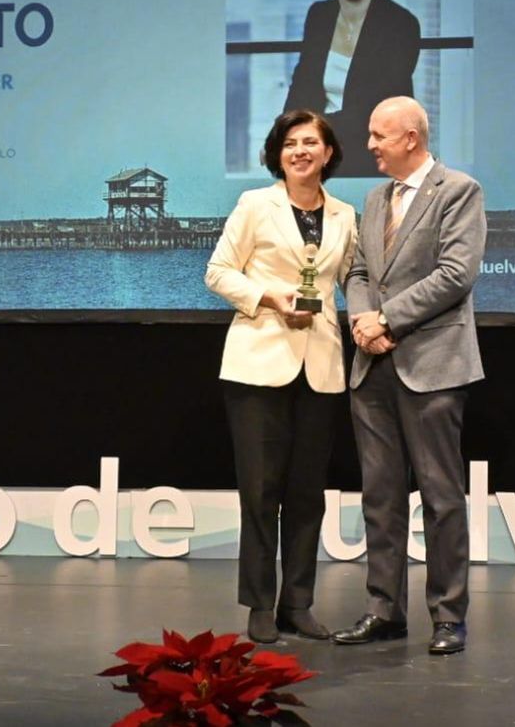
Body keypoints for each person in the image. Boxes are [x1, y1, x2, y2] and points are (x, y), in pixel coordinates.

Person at [333, 96, 484, 656]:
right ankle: (383, 611)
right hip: (372, 366)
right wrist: (360, 319)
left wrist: (387, 317)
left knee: (443, 498)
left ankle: (448, 616)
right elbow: (360, 269)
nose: (369, 144)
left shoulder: (459, 191)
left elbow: (455, 274)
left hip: (433, 367)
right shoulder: (375, 199)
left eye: (378, 135)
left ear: (411, 139)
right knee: (381, 496)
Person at [205, 109, 359, 644]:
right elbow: (218, 271)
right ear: (279, 153)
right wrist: (267, 296)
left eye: (310, 142)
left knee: (307, 493)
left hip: (320, 368)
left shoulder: (344, 215)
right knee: (260, 490)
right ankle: (259, 605)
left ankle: (298, 602)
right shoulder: (255, 205)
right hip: (257, 364)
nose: (300, 151)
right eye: (291, 143)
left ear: (329, 153)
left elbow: (353, 278)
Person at [284, 0, 421, 179]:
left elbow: (379, 108)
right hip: (318, 151)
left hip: (372, 154)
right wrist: (283, 136)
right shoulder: (319, 15)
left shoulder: (400, 23)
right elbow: (302, 84)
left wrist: (309, 138)